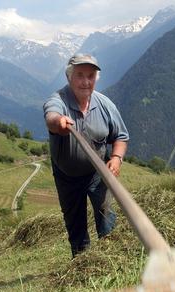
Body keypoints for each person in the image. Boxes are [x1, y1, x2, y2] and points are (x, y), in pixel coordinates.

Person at [43, 54, 129, 257]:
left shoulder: (106, 105)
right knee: (76, 226)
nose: (85, 81)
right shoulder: (58, 101)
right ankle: (82, 264)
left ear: (95, 79)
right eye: (80, 75)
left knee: (106, 218)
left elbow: (121, 137)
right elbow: (51, 116)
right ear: (69, 77)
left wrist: (116, 158)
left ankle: (111, 257)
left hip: (97, 174)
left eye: (90, 76)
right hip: (67, 177)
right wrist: (59, 123)